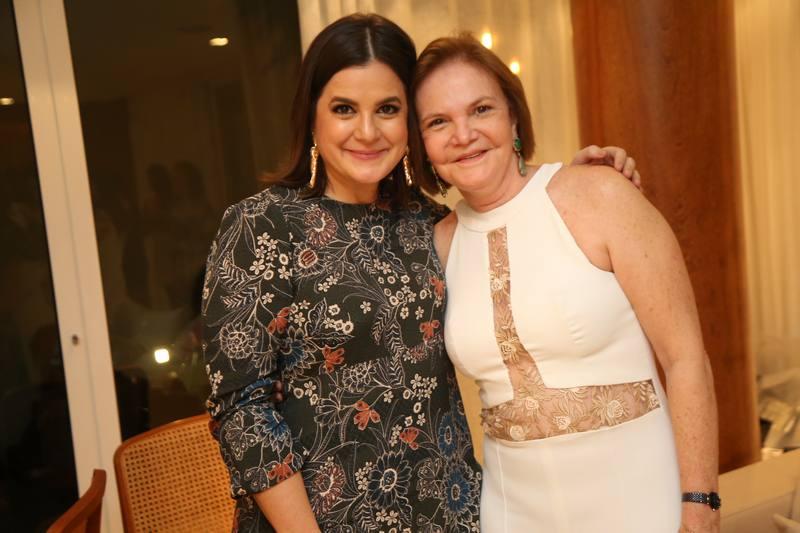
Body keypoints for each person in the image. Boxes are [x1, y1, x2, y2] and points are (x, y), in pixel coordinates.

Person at [202, 14, 638, 532]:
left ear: (410, 121)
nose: (367, 131)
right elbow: (243, 411)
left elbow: (523, 246)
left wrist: (576, 186)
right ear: (311, 116)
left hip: (447, 514)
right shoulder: (261, 226)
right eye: (344, 109)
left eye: (387, 109)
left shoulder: (432, 224)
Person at [415, 35, 719, 533]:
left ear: (514, 117)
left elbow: (685, 358)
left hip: (642, 502)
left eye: (481, 109)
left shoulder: (601, 195)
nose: (463, 134)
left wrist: (700, 505)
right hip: (513, 514)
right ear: (423, 146)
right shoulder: (437, 244)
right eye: (438, 122)